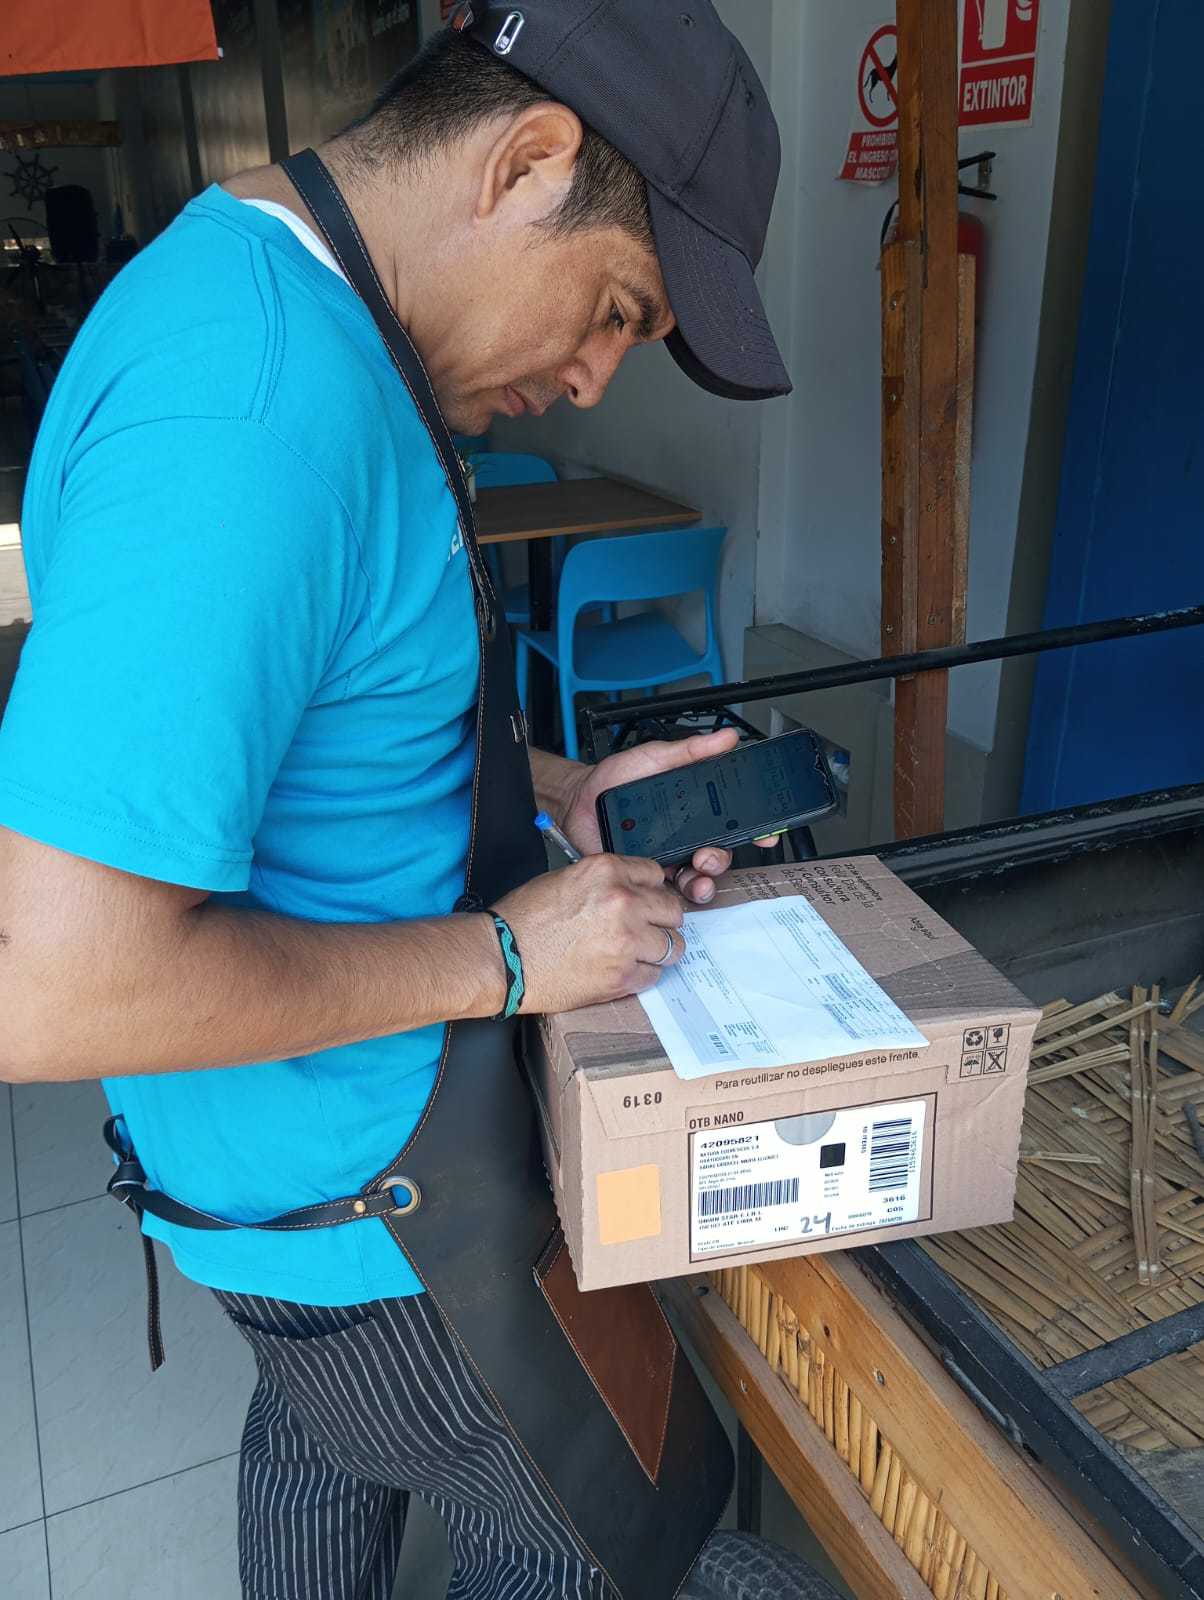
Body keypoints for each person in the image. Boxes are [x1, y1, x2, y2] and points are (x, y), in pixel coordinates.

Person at [0, 4, 791, 1596]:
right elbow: (50, 988)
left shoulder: (298, 316)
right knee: (604, 1531)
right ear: (528, 160)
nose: (593, 379)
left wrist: (563, 796)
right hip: (368, 1203)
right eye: (616, 310)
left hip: (288, 1175)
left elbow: (338, 720)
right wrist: (509, 957)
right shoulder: (248, 411)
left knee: (323, 1426)